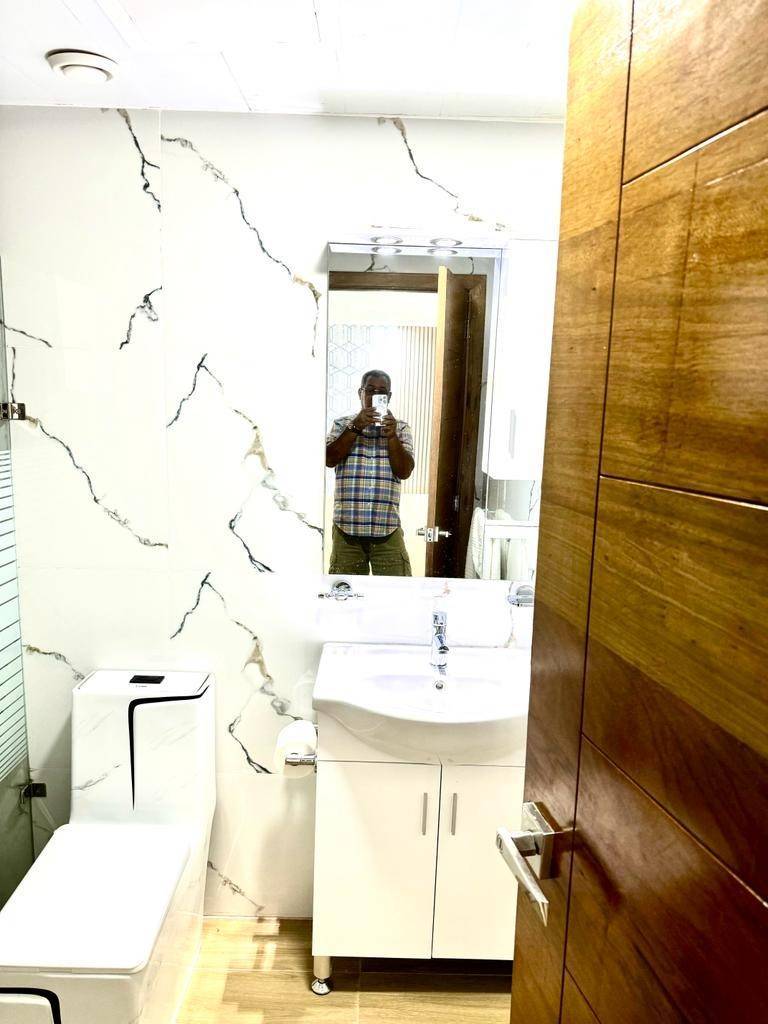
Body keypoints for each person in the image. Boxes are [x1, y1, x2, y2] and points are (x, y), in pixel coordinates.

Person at [326, 370, 415, 575]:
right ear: (361, 393)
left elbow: (404, 472)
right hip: (346, 530)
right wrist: (355, 427)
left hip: (387, 529)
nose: (375, 395)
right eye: (370, 390)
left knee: (396, 590)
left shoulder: (401, 428)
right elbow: (329, 459)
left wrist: (392, 437)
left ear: (389, 397)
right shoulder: (342, 424)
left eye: (381, 392)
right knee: (345, 591)